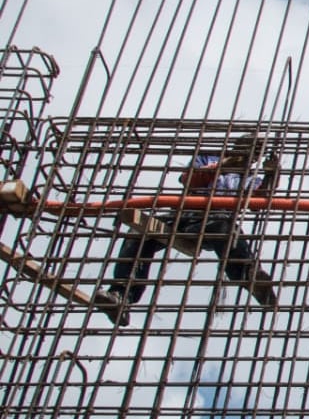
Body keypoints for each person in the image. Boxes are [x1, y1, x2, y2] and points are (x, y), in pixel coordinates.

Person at [92, 135, 280, 326]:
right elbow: (189, 179)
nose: (252, 156)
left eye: (256, 154)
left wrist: (271, 176)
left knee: (225, 227)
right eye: (249, 150)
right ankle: (121, 296)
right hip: (182, 214)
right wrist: (224, 165)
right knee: (139, 234)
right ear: (237, 147)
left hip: (213, 220)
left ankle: (250, 276)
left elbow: (259, 201)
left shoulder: (248, 178)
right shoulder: (208, 158)